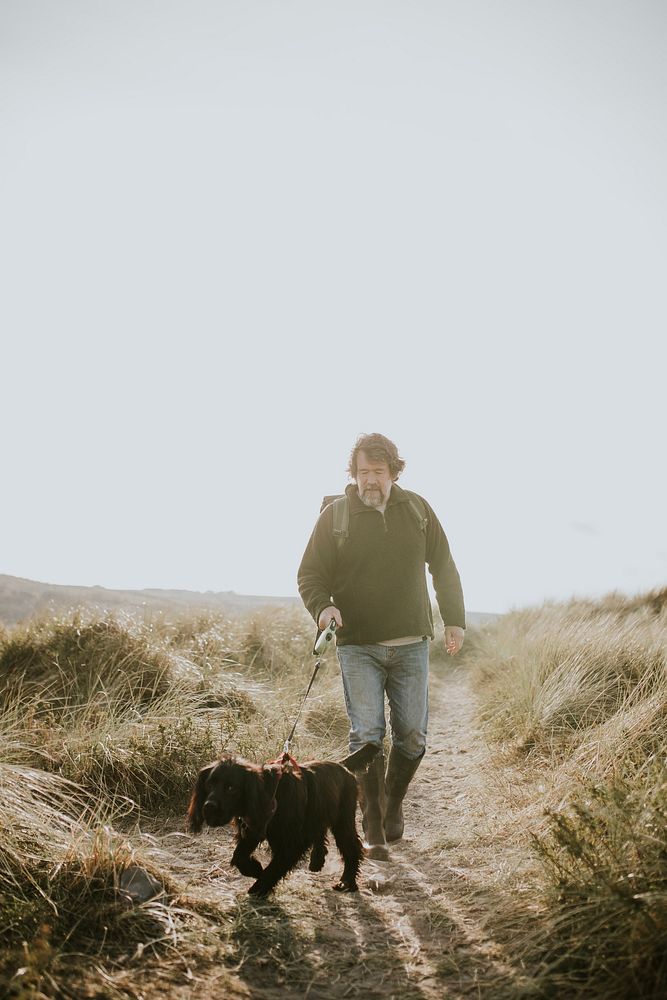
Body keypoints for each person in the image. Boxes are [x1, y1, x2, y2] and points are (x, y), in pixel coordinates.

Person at [297, 432, 465, 860]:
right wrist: (324, 608)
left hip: (411, 645)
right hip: (357, 647)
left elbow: (444, 567)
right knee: (368, 734)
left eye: (378, 471)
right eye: (362, 472)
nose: (370, 480)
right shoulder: (336, 516)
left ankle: (393, 800)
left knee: (411, 737)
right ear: (352, 474)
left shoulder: (418, 511)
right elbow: (310, 574)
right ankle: (371, 816)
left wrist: (455, 621)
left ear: (394, 472)